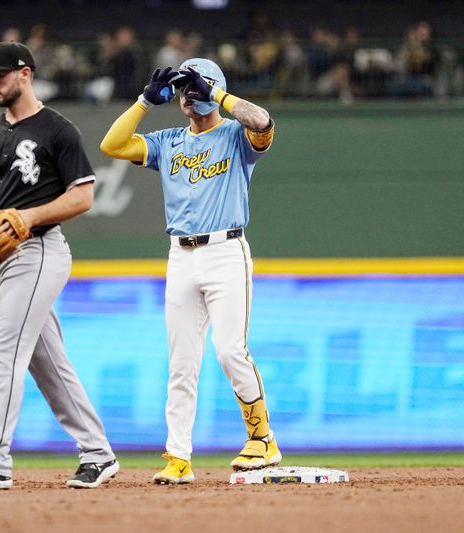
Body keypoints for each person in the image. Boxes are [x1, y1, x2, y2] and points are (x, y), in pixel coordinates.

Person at [0, 41, 119, 490]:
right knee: (47, 364)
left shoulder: (57, 129)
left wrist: (27, 216)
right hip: (2, 264)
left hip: (38, 252)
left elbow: (83, 195)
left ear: (25, 74)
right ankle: (98, 453)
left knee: (3, 349)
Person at [99, 58, 281, 484]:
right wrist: (145, 101)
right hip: (180, 255)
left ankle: (263, 439)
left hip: (225, 249)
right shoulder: (168, 141)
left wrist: (215, 94)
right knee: (181, 363)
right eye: (183, 87)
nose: (186, 94)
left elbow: (264, 121)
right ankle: (178, 457)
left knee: (230, 349)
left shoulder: (237, 136)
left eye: (193, 86)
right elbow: (112, 145)